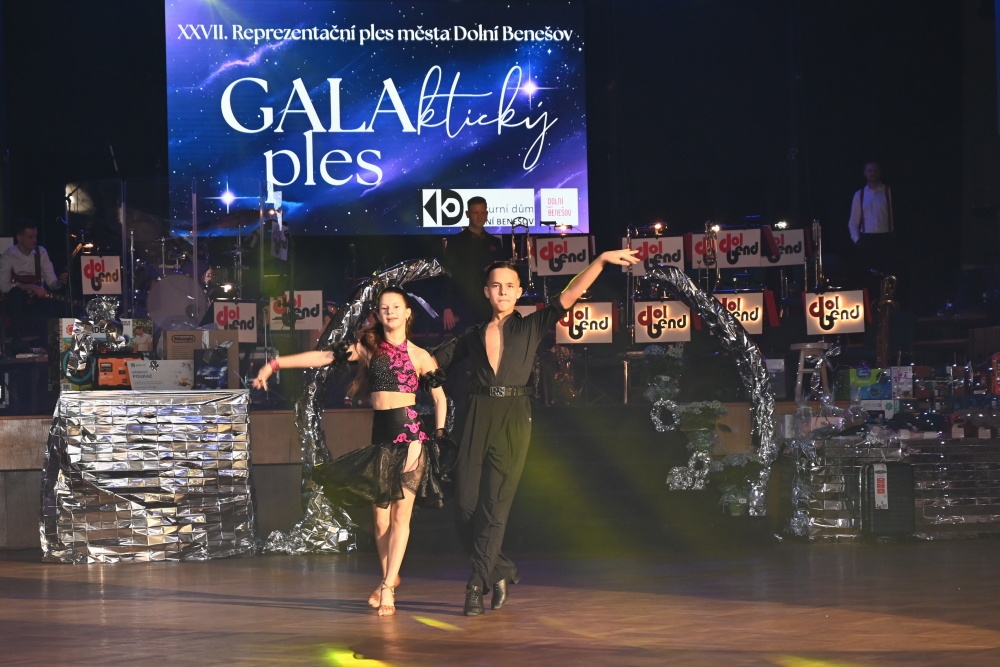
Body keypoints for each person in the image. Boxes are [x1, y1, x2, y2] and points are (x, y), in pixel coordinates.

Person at [433, 249, 639, 616]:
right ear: (486, 291)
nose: (503, 291)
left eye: (509, 286)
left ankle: (475, 585)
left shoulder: (530, 324)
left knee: (495, 508)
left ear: (519, 291)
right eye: (496, 286)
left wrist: (601, 260)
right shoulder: (471, 335)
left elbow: (570, 294)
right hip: (477, 414)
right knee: (464, 505)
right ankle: (501, 569)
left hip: (514, 416)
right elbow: (431, 362)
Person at [253, 287, 449, 617]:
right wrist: (275, 364)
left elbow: (441, 398)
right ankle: (390, 577)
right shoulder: (369, 348)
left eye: (395, 307)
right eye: (384, 307)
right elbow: (324, 357)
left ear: (407, 313)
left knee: (400, 516)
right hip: (381, 439)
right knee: (379, 520)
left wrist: (439, 433)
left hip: (412, 437)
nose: (389, 312)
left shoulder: (420, 356)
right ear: (379, 314)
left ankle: (387, 587)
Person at [0, 218, 69, 352]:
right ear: (20, 238)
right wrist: (29, 287)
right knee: (16, 295)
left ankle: (49, 346)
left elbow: (52, 283)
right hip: (16, 303)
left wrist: (60, 282)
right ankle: (17, 343)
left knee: (55, 304)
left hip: (37, 301)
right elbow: (3, 286)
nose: (35, 240)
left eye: (35, 236)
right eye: (30, 237)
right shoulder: (9, 256)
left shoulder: (41, 252)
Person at [441, 196, 506, 332]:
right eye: (475, 212)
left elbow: (500, 277)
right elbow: (448, 275)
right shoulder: (455, 242)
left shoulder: (494, 242)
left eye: (482, 212)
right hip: (462, 304)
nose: (479, 216)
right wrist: (447, 306)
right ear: (467, 214)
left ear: (487, 214)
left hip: (488, 305)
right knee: (465, 343)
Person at [848, 161, 896, 284]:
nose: (873, 173)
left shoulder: (888, 192)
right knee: (868, 278)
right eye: (870, 171)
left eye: (875, 170)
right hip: (867, 240)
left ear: (880, 172)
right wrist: (857, 240)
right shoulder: (859, 195)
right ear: (865, 173)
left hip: (886, 239)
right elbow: (853, 221)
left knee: (888, 276)